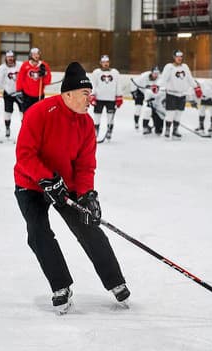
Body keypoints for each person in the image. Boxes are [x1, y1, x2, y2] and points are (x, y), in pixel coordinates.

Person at [14, 61, 130, 315]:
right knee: (38, 232)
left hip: (66, 186)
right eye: (86, 94)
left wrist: (87, 194)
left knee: (88, 226)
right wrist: (46, 178)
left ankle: (115, 281)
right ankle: (61, 286)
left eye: (90, 94)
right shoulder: (39, 113)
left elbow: (86, 166)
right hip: (31, 185)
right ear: (68, 94)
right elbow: (24, 155)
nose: (90, 99)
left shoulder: (86, 124)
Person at [158, 49, 201, 139]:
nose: (179, 58)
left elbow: (190, 78)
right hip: (171, 94)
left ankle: (175, 130)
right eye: (177, 56)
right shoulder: (169, 67)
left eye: (181, 56)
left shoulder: (185, 67)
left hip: (182, 94)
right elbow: (163, 79)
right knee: (170, 113)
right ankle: (167, 130)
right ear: (174, 57)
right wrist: (157, 86)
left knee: (179, 113)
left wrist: (196, 87)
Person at [90, 55, 122, 141]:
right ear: (100, 63)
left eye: (107, 62)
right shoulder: (96, 72)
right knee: (97, 116)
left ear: (109, 62)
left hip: (111, 99)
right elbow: (93, 84)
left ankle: (109, 131)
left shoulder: (115, 72)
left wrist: (119, 96)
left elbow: (118, 84)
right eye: (103, 62)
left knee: (110, 116)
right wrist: (92, 95)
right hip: (99, 99)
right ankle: (95, 131)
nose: (105, 64)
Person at [0, 50, 22, 138]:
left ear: (14, 58)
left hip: (20, 93)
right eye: (8, 57)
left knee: (23, 112)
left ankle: (24, 129)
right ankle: (7, 128)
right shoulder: (2, 68)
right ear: (5, 58)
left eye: (12, 57)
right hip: (8, 93)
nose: (10, 59)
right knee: (8, 112)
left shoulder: (20, 65)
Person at [15, 47, 51, 112]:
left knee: (38, 115)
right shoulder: (25, 65)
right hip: (26, 95)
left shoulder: (44, 65)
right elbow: (20, 78)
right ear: (31, 55)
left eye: (37, 54)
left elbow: (47, 82)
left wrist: (44, 74)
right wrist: (18, 91)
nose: (36, 56)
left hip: (39, 95)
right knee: (26, 114)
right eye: (34, 54)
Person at [129, 66, 159, 130]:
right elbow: (133, 82)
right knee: (138, 108)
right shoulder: (144, 77)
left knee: (152, 109)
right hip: (140, 91)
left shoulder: (159, 79)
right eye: (154, 73)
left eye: (157, 73)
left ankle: (154, 124)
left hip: (149, 94)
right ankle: (136, 122)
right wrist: (133, 92)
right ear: (151, 72)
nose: (156, 75)